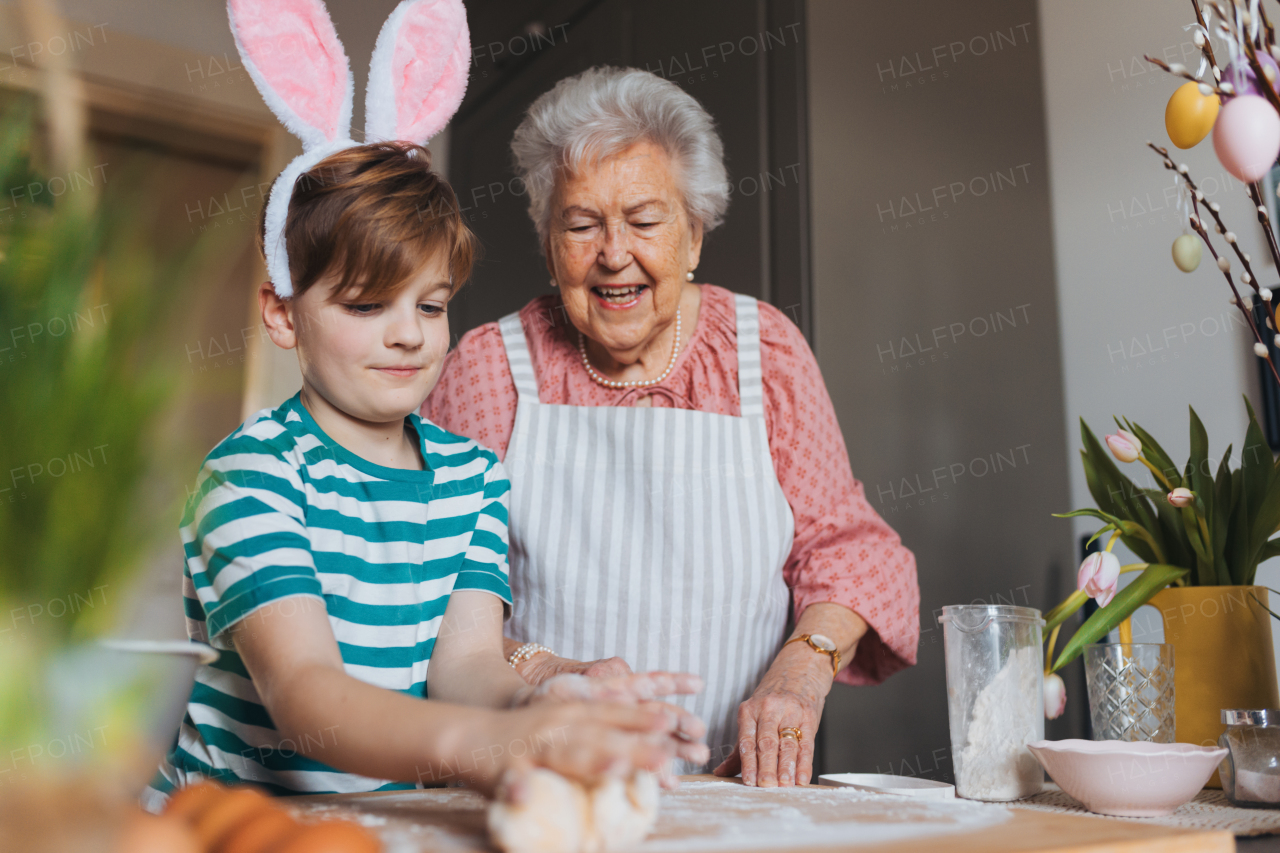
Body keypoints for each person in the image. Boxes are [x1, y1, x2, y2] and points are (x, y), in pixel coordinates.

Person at [423, 66, 921, 788]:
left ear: (693, 236)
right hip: (543, 788)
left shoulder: (764, 353)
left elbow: (846, 548)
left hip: (738, 793)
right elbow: (430, 601)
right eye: (581, 224)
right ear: (548, 241)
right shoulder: (488, 368)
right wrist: (544, 671)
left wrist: (803, 665)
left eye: (645, 220)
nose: (614, 253)